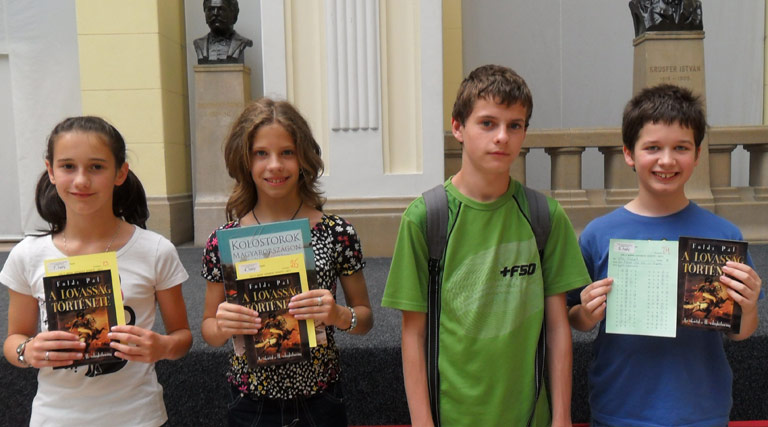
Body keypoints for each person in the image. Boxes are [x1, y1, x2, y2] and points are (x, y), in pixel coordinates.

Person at [381, 64, 592, 426]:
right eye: (488, 123)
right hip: (452, 417)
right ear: (458, 128)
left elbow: (558, 327)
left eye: (515, 125)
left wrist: (562, 416)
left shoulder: (545, 216)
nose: (502, 137)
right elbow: (413, 334)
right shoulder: (425, 218)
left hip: (530, 417)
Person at [567, 84, 763, 427]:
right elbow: (573, 317)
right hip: (620, 407)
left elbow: (741, 332)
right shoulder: (599, 234)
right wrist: (586, 312)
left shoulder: (724, 235)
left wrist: (747, 307)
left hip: (700, 409)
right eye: (653, 147)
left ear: (697, 155)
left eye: (681, 148)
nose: (667, 160)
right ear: (629, 153)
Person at [0, 116, 192, 426]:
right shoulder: (28, 255)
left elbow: (182, 337)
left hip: (137, 417)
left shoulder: (156, 251)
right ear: (50, 171)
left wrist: (162, 347)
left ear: (120, 173)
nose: (81, 181)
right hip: (55, 417)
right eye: (68, 166)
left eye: (96, 167)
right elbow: (13, 340)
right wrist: (28, 351)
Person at [201, 97, 373, 426]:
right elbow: (209, 330)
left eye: (287, 152)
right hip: (250, 403)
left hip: (320, 398)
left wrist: (338, 315)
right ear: (244, 159)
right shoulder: (223, 241)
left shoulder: (336, 232)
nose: (275, 165)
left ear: (304, 157)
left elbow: (364, 319)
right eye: (261, 153)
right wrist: (222, 325)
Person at [193, 0, 253, 64]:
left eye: (221, 9)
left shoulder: (241, 43)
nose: (215, 13)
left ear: (234, 14)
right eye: (211, 9)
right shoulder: (199, 43)